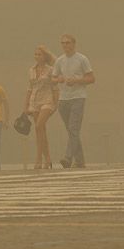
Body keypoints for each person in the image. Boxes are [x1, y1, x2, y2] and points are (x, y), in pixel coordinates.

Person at [52, 34, 94, 169]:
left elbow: (91, 78)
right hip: (63, 99)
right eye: (63, 43)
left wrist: (76, 80)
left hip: (78, 97)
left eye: (68, 43)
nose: (65, 45)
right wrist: (58, 80)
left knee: (73, 128)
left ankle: (67, 158)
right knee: (72, 131)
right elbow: (53, 78)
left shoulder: (82, 59)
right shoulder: (59, 60)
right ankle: (80, 161)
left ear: (74, 44)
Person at [25, 46, 58, 169]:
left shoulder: (51, 70)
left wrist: (56, 104)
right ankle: (47, 158)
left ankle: (38, 158)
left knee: (39, 125)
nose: (37, 57)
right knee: (40, 130)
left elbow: (55, 87)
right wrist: (26, 105)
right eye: (36, 54)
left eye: (40, 54)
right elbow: (30, 88)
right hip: (34, 101)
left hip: (47, 101)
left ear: (45, 57)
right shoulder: (31, 70)